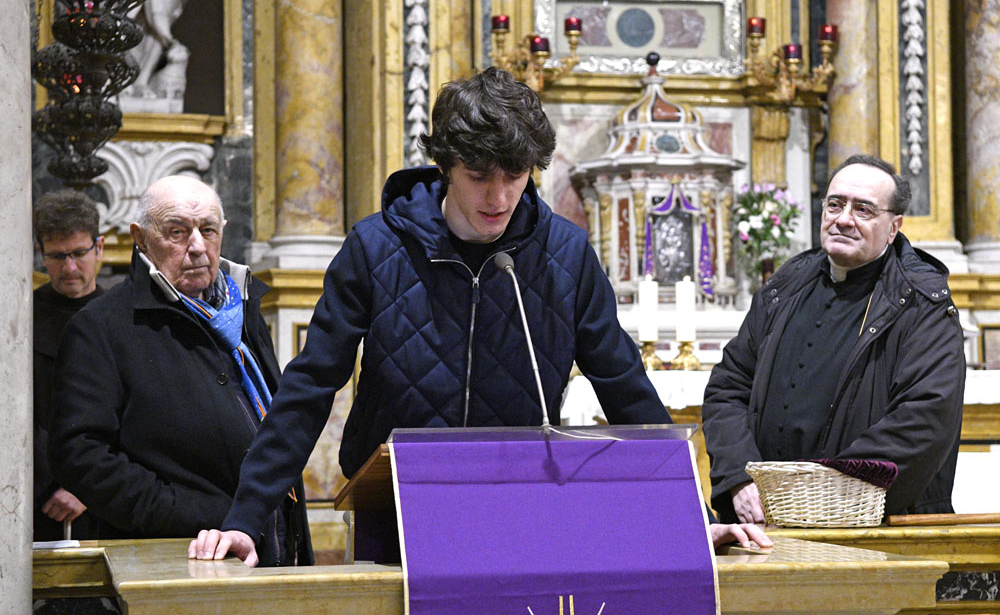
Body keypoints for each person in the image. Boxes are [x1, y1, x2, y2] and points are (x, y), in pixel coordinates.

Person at [190, 68, 769, 566]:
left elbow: (626, 389)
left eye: (514, 177)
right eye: (478, 176)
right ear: (446, 166)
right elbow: (310, 386)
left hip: (519, 498)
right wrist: (245, 516)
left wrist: (688, 515)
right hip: (395, 501)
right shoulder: (374, 247)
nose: (497, 196)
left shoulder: (564, 254)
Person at [48, 175, 312, 566]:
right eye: (176, 232)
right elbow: (80, 455)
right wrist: (201, 515)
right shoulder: (102, 327)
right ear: (141, 238)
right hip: (180, 557)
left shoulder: (243, 311)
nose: (196, 247)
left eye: (208, 230)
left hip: (271, 544)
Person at [702, 154, 965, 524]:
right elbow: (728, 388)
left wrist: (825, 494)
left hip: (870, 531)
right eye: (835, 204)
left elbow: (925, 418)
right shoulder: (785, 285)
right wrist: (738, 480)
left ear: (893, 227)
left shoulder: (922, 304)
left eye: (864, 210)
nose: (843, 219)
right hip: (763, 522)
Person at [33, 190, 105, 541]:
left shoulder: (123, 318)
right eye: (58, 256)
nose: (70, 267)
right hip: (36, 497)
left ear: (100, 247)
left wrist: (89, 488)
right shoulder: (20, 318)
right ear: (41, 256)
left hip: (108, 499)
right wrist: (50, 484)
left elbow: (139, 416)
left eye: (79, 253)